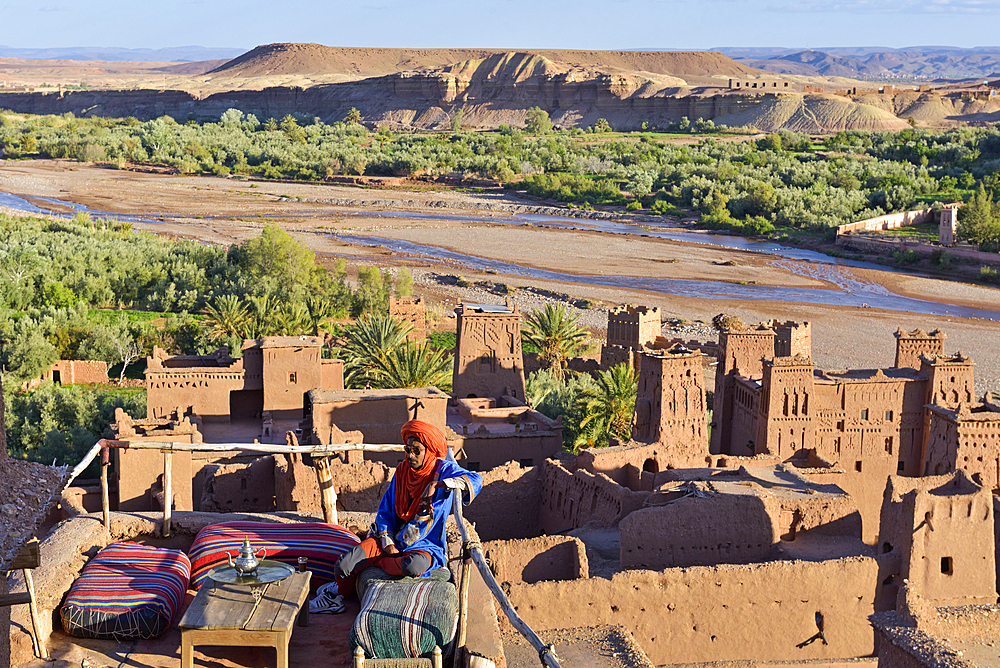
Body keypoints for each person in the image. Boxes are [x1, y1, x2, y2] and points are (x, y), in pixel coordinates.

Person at [312, 419, 482, 613]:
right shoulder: (402, 472)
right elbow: (385, 512)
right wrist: (388, 543)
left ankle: (380, 562)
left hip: (424, 543)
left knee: (413, 567)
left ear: (429, 451)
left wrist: (437, 485)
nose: (410, 455)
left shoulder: (442, 470)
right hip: (390, 538)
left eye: (416, 450)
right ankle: (338, 596)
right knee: (344, 565)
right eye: (407, 449)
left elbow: (476, 480)